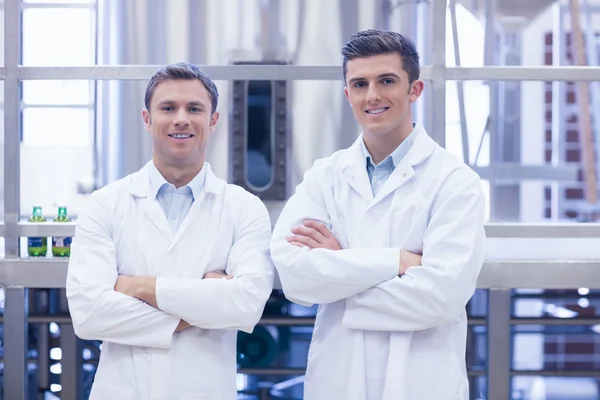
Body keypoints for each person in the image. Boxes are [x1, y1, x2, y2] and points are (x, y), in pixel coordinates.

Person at [270, 29, 486, 400]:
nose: (372, 95)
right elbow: (297, 278)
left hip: (420, 382)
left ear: (414, 90)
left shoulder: (454, 181)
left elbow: (440, 297)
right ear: (347, 94)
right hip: (339, 380)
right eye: (359, 84)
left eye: (387, 81)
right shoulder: (326, 176)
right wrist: (399, 262)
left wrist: (339, 270)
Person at [66, 62, 274, 400]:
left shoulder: (243, 207)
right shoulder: (105, 204)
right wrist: (199, 310)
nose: (181, 118)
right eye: (168, 108)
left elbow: (245, 305)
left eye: (194, 108)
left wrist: (139, 287)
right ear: (147, 119)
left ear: (213, 121)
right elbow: (89, 315)